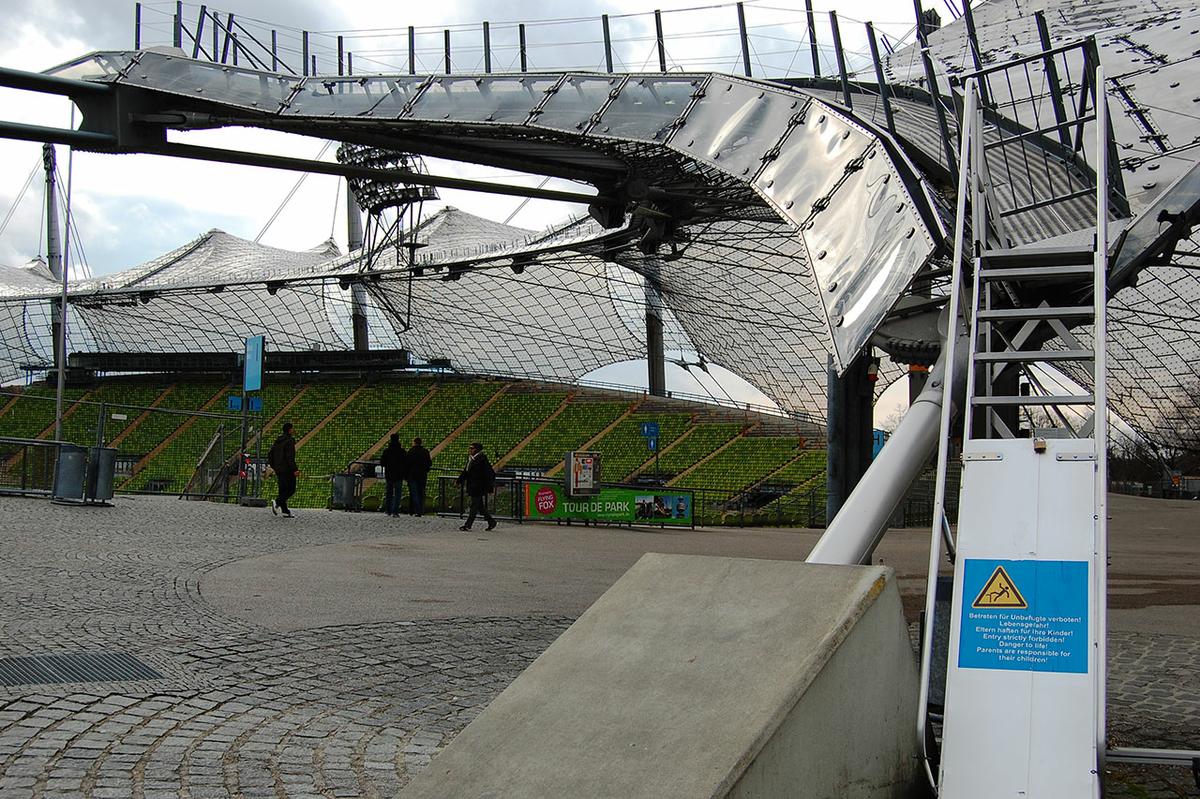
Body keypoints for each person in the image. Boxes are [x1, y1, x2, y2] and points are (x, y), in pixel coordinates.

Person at [456, 441, 495, 531]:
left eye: (472, 448)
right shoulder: (471, 459)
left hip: (478, 487)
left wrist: (489, 487)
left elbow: (489, 474)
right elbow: (466, 471)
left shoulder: (482, 460)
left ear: (477, 450)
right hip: (473, 486)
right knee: (480, 507)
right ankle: (491, 521)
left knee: (473, 506)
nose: (470, 450)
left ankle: (468, 525)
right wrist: (459, 481)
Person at [267, 422, 299, 518]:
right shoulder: (289, 441)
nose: (293, 430)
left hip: (279, 469)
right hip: (287, 469)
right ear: (289, 430)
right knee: (291, 489)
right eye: (292, 428)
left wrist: (274, 466)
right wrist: (295, 469)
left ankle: (285, 511)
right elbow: (290, 457)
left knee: (283, 489)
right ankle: (277, 502)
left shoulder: (278, 440)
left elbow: (270, 454)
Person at [379, 433, 408, 517]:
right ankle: (395, 511)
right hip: (399, 475)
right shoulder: (402, 451)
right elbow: (405, 463)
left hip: (389, 474)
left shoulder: (386, 451)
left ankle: (388, 510)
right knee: (398, 493)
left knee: (389, 493)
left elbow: (382, 462)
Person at [407, 437, 432, 516]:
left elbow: (407, 464)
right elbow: (429, 463)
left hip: (412, 475)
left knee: (413, 493)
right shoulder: (425, 452)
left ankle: (413, 510)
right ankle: (420, 510)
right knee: (421, 493)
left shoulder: (411, 451)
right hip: (422, 475)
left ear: (414, 443)